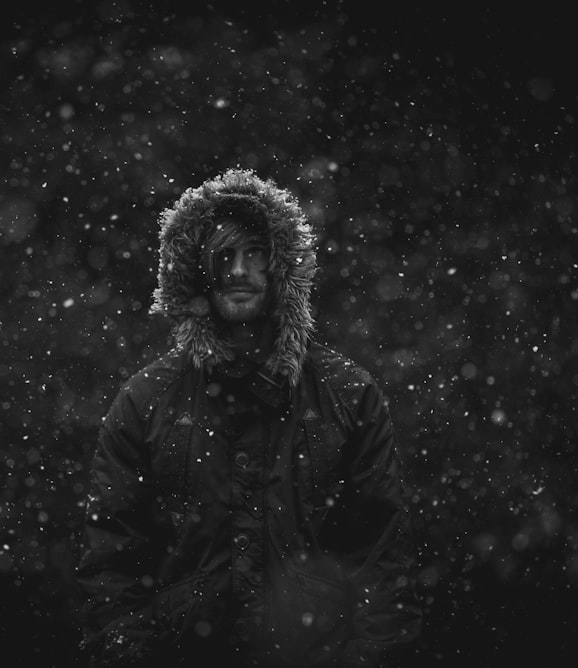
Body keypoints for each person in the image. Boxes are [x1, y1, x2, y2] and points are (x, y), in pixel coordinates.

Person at [75, 168, 421, 667]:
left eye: (256, 253)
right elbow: (112, 565)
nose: (239, 270)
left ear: (282, 268)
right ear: (196, 272)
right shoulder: (144, 401)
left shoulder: (348, 395)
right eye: (224, 256)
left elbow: (381, 557)